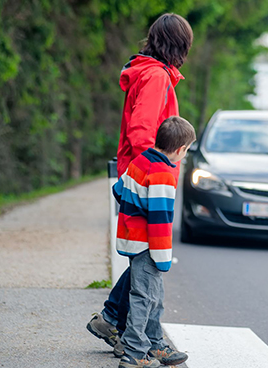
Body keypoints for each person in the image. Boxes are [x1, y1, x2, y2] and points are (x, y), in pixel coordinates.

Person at [86, 12, 193, 359]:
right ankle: (135, 340)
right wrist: (158, 171)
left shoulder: (149, 72)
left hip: (139, 174)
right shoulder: (156, 77)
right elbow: (142, 132)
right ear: (179, 46)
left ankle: (113, 320)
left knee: (143, 260)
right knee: (148, 260)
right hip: (148, 179)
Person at [114, 116, 196, 368]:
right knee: (144, 296)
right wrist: (163, 258)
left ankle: (154, 343)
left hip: (131, 237)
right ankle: (135, 352)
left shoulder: (141, 160)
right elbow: (160, 222)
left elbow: (119, 189)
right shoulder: (162, 174)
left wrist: (135, 205)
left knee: (153, 295)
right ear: (180, 150)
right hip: (148, 245)